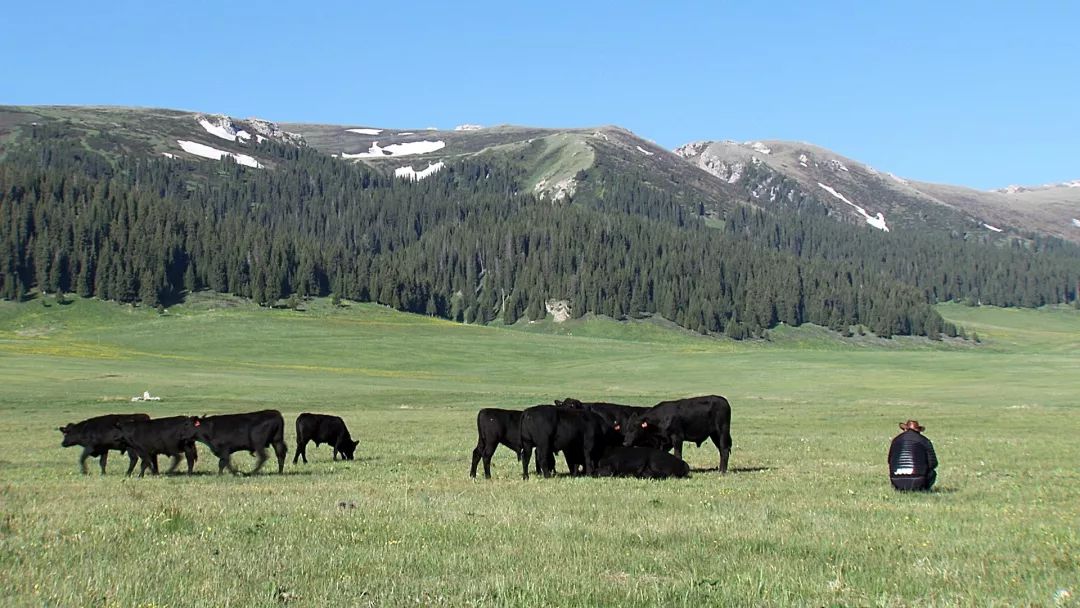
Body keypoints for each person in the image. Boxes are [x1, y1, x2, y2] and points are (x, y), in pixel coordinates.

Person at [888, 420, 937, 491]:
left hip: (896, 480)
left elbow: (890, 461)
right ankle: (924, 490)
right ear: (918, 430)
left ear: (905, 429)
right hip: (918, 481)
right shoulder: (924, 440)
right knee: (932, 472)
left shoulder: (895, 440)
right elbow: (933, 463)